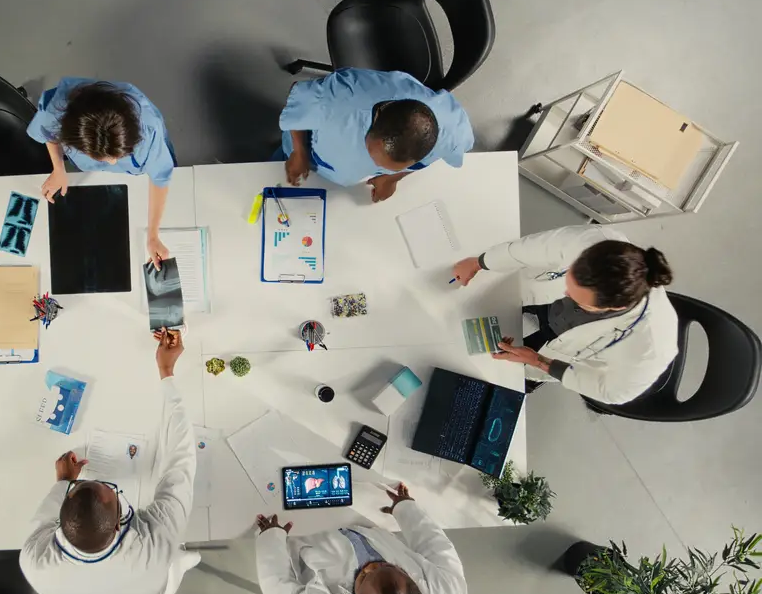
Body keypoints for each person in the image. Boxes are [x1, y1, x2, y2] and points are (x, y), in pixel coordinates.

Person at [19, 328, 198, 594]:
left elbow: (44, 516)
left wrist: (63, 482)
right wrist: (166, 372)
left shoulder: (35, 564)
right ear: (118, 524)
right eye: (112, 491)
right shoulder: (155, 546)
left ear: (59, 520)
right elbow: (181, 461)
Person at [452, 225, 678, 404]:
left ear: (613, 308)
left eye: (578, 298)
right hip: (540, 300)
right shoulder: (594, 240)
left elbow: (613, 392)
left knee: (484, 371)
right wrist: (479, 262)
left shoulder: (651, 348)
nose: (565, 292)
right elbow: (527, 250)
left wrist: (539, 361)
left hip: (562, 350)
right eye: (569, 280)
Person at [255, 483, 466, 594]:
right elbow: (432, 541)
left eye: (363, 576)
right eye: (386, 566)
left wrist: (271, 535)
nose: (370, 565)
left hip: (316, 543)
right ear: (413, 580)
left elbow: (276, 583)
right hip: (370, 532)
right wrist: (404, 507)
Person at [27, 78, 175, 267]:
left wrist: (153, 235)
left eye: (118, 155)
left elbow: (160, 177)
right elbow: (50, 134)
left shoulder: (148, 129)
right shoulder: (55, 111)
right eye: (104, 158)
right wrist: (58, 169)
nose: (113, 162)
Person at [278, 69, 474, 202]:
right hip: (307, 155)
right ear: (377, 116)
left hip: (341, 188)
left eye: (386, 168)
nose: (376, 167)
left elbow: (425, 162)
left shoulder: (450, 131)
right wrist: (300, 152)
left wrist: (392, 178)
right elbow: (298, 96)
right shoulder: (337, 99)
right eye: (374, 157)